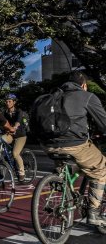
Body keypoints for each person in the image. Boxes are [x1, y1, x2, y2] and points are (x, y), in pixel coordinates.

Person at [40, 71, 106, 226]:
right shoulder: (87, 96)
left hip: (48, 145)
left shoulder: (54, 95)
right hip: (75, 144)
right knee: (101, 168)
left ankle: (63, 187)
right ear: (83, 85)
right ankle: (94, 214)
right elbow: (104, 124)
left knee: (70, 168)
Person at [1, 93, 28, 183]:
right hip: (11, 135)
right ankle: (5, 156)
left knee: (15, 153)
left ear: (14, 102)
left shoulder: (18, 112)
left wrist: (15, 126)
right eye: (6, 101)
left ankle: (22, 172)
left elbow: (18, 120)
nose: (7, 103)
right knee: (0, 139)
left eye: (9, 101)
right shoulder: (5, 112)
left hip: (20, 136)